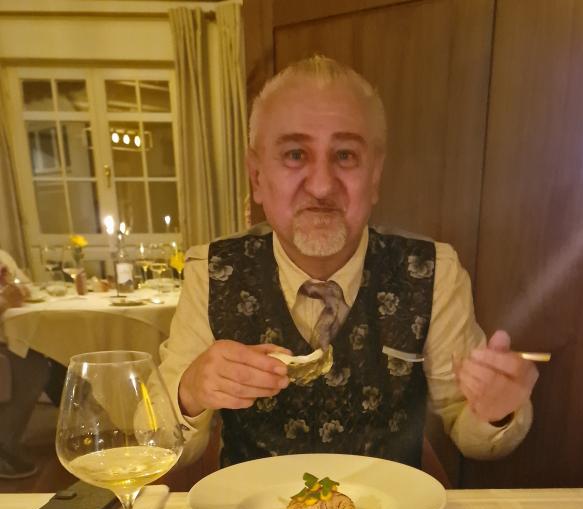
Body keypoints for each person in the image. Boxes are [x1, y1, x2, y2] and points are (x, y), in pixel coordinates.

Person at [159, 55, 538, 471]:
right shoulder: (210, 271)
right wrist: (189, 392)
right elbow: (156, 442)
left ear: (374, 177)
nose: (322, 186)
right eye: (294, 154)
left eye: (344, 156)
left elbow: (469, 428)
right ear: (257, 178)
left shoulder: (435, 272)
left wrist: (495, 410)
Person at [0, 249, 65, 479]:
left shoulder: (3, 256)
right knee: (32, 365)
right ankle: (4, 446)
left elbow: (26, 286)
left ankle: (78, 428)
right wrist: (4, 301)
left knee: (59, 351)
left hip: (12, 334)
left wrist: (19, 290)